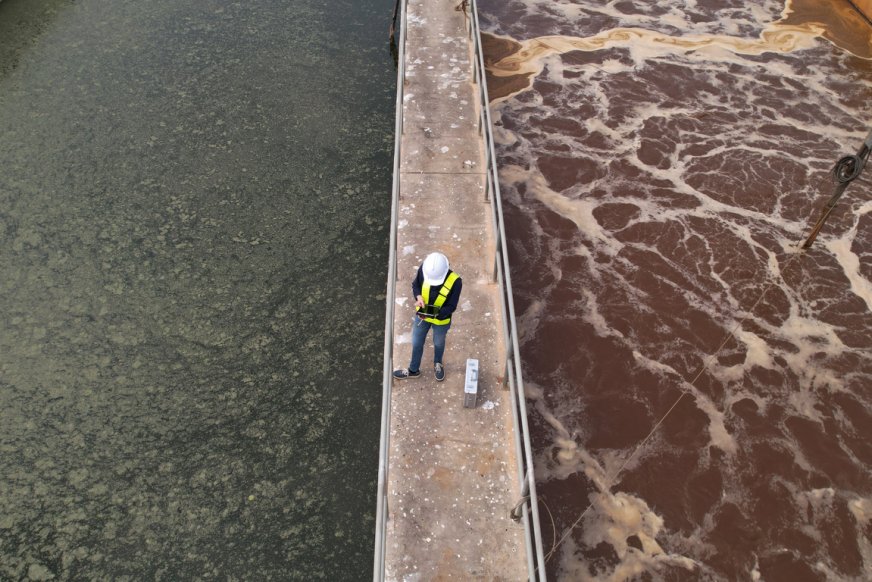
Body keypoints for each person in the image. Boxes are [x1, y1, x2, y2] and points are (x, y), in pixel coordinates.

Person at [393, 252, 462, 382]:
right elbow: (416, 285)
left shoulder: (456, 281)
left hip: (441, 320)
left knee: (438, 343)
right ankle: (413, 370)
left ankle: (438, 363)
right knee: (417, 342)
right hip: (422, 316)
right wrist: (418, 297)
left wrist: (434, 312)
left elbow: (452, 306)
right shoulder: (425, 269)